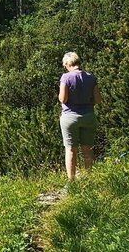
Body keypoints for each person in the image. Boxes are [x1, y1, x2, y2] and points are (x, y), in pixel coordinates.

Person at [58, 52, 100, 181]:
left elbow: (63, 99)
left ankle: (72, 181)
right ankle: (90, 179)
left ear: (67, 64)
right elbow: (98, 99)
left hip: (70, 117)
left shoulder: (66, 77)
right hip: (88, 116)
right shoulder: (91, 77)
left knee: (71, 150)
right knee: (87, 149)